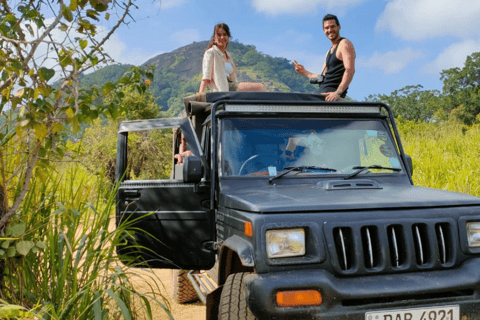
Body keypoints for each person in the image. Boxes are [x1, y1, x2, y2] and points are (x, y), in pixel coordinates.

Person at [293, 14, 355, 101]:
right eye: (327, 28)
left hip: (329, 97)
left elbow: (350, 70)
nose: (330, 30)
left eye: (332, 26)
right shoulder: (328, 52)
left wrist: (338, 92)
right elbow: (321, 78)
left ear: (339, 27)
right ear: (323, 30)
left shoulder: (344, 44)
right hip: (320, 94)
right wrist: (304, 72)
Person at [198, 23, 265, 93]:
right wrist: (200, 93)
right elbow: (206, 77)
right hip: (222, 88)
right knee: (260, 87)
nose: (222, 37)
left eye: (224, 35)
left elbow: (233, 77)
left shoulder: (228, 56)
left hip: (232, 86)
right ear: (214, 38)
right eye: (219, 35)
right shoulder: (211, 52)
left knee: (258, 91)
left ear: (228, 37)